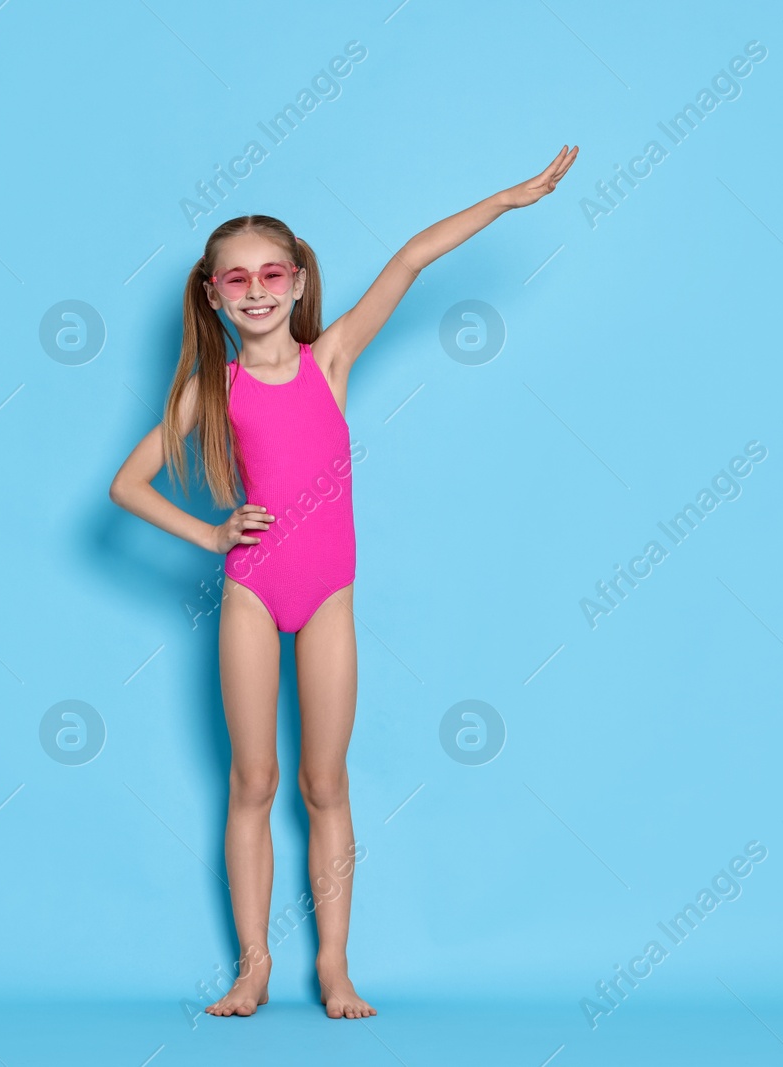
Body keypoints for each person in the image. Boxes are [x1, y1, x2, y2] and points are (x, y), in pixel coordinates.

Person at [109, 146, 579, 1019]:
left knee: (326, 783)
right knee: (252, 781)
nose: (255, 289)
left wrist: (511, 199)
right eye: (235, 278)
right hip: (252, 590)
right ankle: (252, 966)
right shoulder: (215, 384)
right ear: (212, 295)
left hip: (329, 595)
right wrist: (211, 531)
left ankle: (333, 966)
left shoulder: (332, 360)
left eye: (271, 272)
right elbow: (125, 487)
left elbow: (408, 259)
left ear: (296, 281)